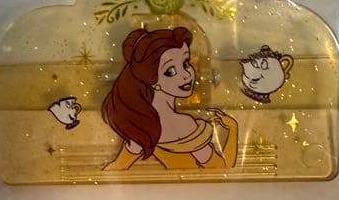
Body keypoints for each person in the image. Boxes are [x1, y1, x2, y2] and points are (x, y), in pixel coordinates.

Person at [102, 26, 238, 171]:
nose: (186, 75)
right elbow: (223, 168)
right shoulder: (183, 125)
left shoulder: (143, 124)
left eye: (186, 63)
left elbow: (116, 167)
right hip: (194, 184)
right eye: (170, 71)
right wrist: (233, 128)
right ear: (152, 80)